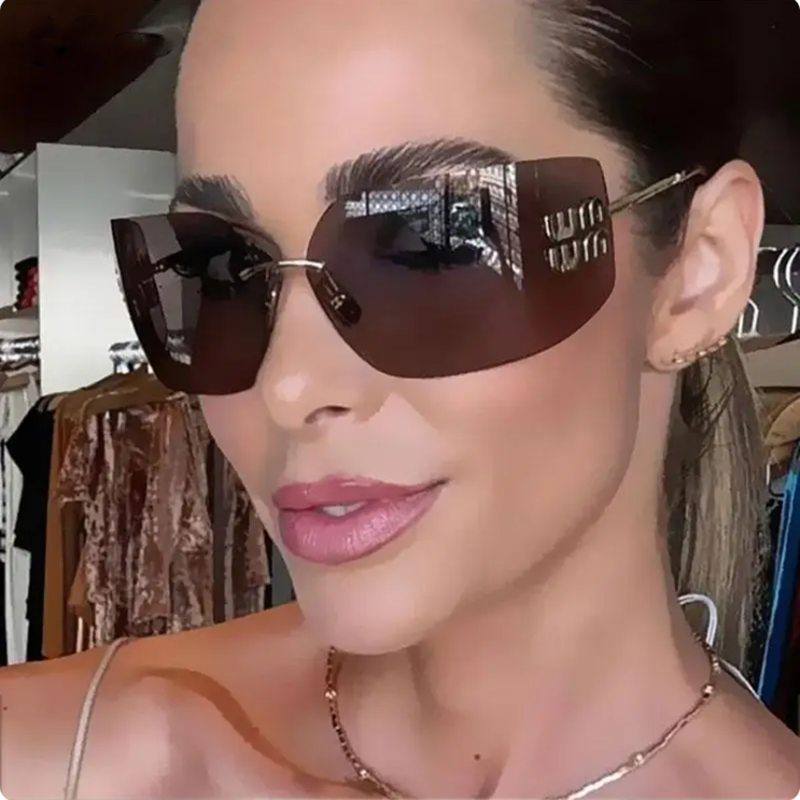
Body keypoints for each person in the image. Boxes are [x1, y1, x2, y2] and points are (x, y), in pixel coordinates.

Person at [3, 0, 800, 797]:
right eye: (222, 267)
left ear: (700, 275)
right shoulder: (66, 756)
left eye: (433, 246)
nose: (287, 386)